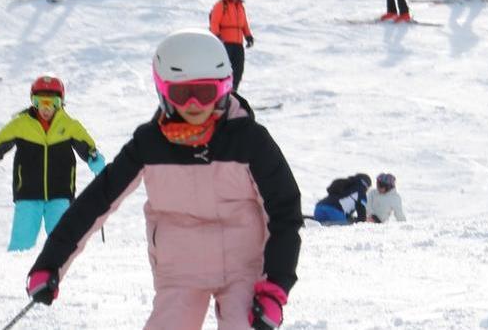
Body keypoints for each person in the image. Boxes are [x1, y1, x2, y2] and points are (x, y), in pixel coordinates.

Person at [24, 29, 302, 330]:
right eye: (182, 93)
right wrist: (51, 263)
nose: (194, 104)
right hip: (181, 268)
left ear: (224, 89)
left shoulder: (249, 141)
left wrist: (275, 287)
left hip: (244, 267)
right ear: (163, 90)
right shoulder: (150, 143)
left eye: (206, 92)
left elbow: (284, 210)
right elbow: (96, 201)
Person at [0, 75, 106, 250]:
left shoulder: (70, 126)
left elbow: (89, 151)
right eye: (39, 102)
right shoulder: (20, 125)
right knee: (21, 244)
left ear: (61, 103)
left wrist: (95, 160)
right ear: (33, 101)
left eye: (52, 102)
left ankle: (65, 275)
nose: (46, 108)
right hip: (28, 194)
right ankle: (13, 273)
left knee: (64, 243)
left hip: (61, 194)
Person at [209, 0, 254, 91]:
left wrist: (248, 36)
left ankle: (233, 93)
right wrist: (217, 36)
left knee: (238, 70)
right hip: (226, 44)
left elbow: (244, 24)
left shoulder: (240, 6)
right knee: (225, 70)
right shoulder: (221, 5)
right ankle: (222, 94)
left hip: (238, 44)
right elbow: (214, 22)